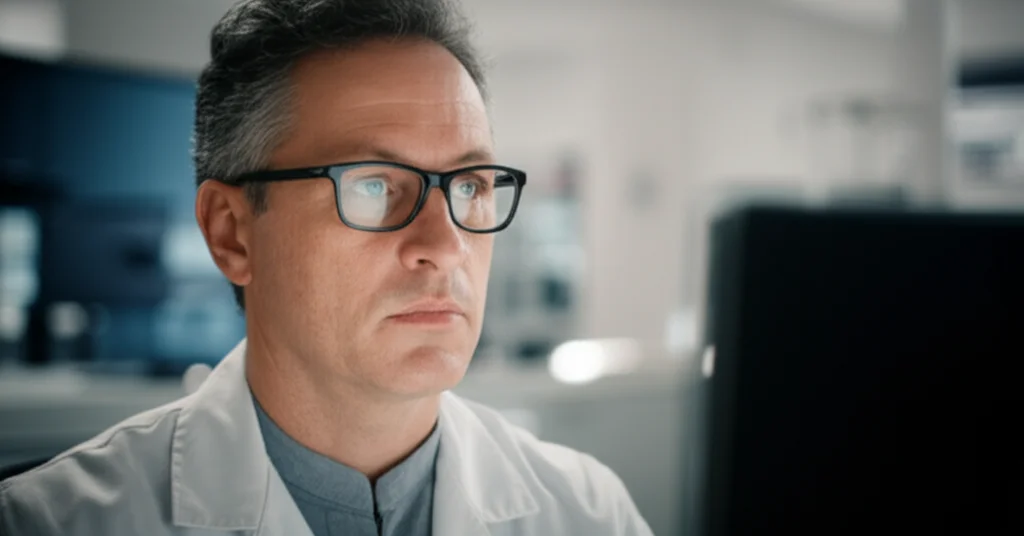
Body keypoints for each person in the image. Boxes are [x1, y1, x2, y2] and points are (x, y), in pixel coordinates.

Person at [0, 1, 654, 534]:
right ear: (233, 234)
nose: (448, 243)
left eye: (471, 185)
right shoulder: (50, 521)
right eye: (374, 185)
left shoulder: (589, 512)